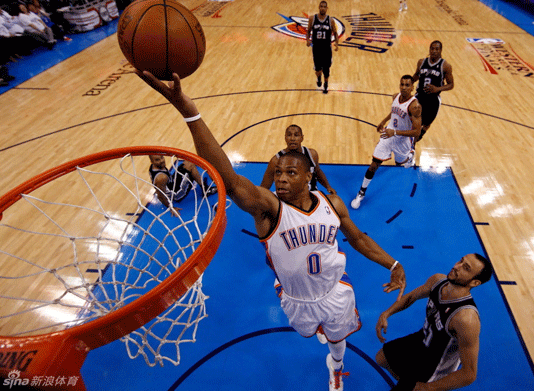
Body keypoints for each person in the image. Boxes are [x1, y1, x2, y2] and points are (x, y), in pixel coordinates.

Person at [137, 70, 407, 391]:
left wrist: (393, 264)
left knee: (338, 341)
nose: (280, 178)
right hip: (295, 298)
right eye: (278, 172)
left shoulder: (331, 203)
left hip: (334, 291)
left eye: (290, 172)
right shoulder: (269, 207)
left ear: (309, 176)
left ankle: (336, 367)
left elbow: (359, 238)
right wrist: (189, 111)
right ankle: (320, 329)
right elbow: (230, 177)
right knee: (312, 328)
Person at [375, 253, 493, 391]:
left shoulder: (466, 318)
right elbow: (411, 297)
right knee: (382, 358)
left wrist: (428, 387)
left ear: (474, 282)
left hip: (436, 363)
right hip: (422, 339)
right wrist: (387, 313)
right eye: (460, 260)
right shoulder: (438, 281)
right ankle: (408, 383)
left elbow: (469, 374)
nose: (456, 266)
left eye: (465, 268)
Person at [350, 75, 421, 210]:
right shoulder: (395, 97)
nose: (404, 88)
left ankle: (410, 154)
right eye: (402, 84)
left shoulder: (415, 106)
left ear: (412, 87)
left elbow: (417, 132)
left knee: (401, 164)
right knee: (373, 165)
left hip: (402, 139)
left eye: (407, 85)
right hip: (388, 135)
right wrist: (383, 121)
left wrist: (395, 133)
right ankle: (361, 192)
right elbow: (393, 112)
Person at [260, 124, 336, 195]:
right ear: (285, 138)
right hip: (288, 199)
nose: (292, 138)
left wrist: (328, 186)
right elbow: (264, 188)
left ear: (302, 138)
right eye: (289, 135)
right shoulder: (276, 161)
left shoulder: (312, 154)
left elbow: (317, 171)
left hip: (311, 196)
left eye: (296, 135)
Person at [411, 40, 454, 143]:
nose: (434, 51)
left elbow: (451, 85)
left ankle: (420, 134)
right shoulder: (421, 62)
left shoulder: (445, 66)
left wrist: (437, 89)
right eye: (432, 48)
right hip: (419, 96)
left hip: (433, 100)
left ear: (440, 50)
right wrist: (410, 82)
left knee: (426, 124)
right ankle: (411, 144)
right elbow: (417, 74)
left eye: (436, 49)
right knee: (413, 122)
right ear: (429, 49)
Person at [149, 154, 217, 216]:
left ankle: (202, 185)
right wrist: (171, 208)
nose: (161, 161)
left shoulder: (153, 167)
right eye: (157, 160)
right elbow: (160, 195)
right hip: (176, 194)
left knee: (188, 162)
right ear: (151, 161)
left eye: (162, 157)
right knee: (191, 166)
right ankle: (206, 190)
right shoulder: (161, 178)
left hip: (171, 184)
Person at [306, 0, 339, 94]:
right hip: (316, 48)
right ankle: (319, 78)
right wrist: (307, 40)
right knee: (317, 69)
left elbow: (335, 33)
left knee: (326, 69)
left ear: (327, 8)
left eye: (324, 6)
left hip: (326, 49)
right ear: (318, 7)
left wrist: (337, 43)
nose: (323, 8)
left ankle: (326, 84)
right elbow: (308, 31)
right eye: (321, 6)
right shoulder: (312, 19)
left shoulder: (330, 20)